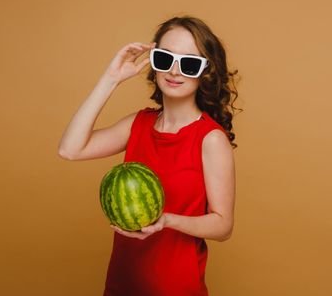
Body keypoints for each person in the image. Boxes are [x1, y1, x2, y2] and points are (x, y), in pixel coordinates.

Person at [58, 16, 240, 296]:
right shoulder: (138, 124)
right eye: (165, 58)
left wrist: (166, 220)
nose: (175, 71)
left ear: (205, 72)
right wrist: (110, 79)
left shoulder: (210, 139)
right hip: (122, 284)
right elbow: (70, 150)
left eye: (189, 63)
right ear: (154, 63)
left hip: (176, 288)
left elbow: (222, 225)